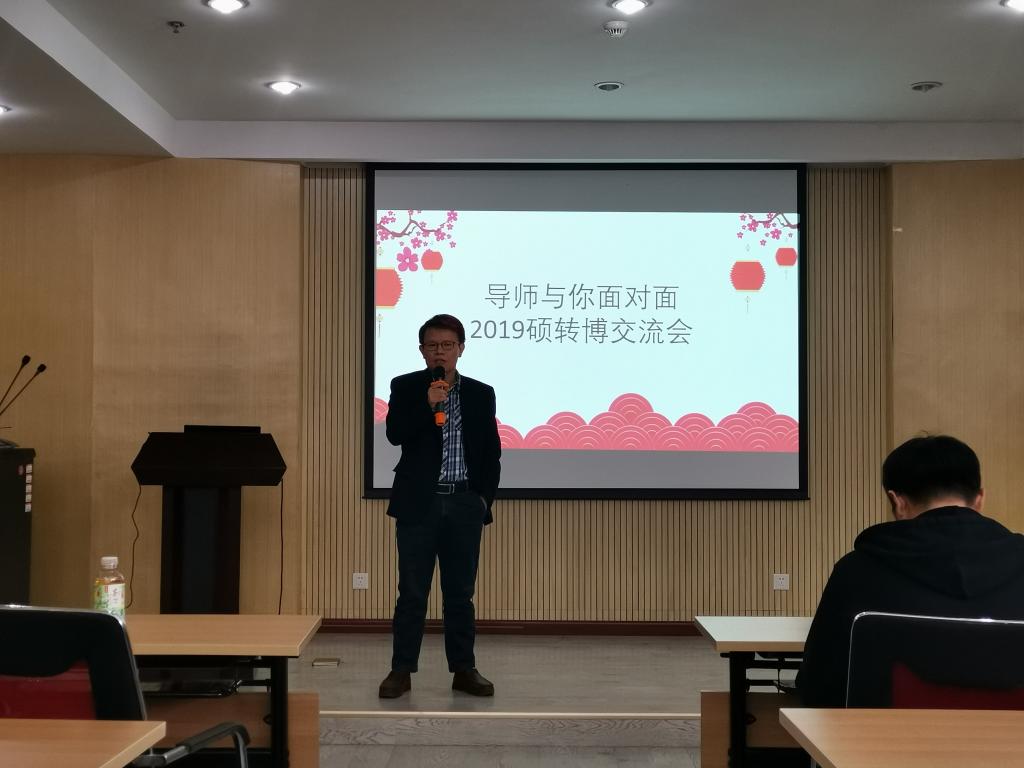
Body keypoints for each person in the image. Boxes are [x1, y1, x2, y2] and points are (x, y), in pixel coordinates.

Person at [796, 434, 1024, 707]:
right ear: (979, 499)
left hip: (883, 735)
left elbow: (817, 687)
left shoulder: (856, 572)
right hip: (1013, 735)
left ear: (898, 501)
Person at [378, 314, 501, 699]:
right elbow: (395, 434)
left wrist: (481, 500)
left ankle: (464, 669)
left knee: (460, 594)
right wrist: (427, 404)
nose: (440, 352)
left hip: (464, 502)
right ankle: (401, 670)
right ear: (422, 351)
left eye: (447, 345)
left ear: (461, 349)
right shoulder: (405, 386)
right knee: (412, 592)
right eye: (433, 346)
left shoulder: (481, 393)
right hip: (421, 502)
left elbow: (491, 453)